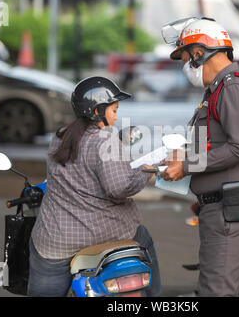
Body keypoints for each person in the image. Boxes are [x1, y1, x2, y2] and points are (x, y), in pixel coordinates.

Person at [160, 17, 239, 296]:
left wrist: (187, 165)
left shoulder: (232, 87)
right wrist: (176, 158)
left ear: (200, 53)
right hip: (220, 211)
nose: (186, 67)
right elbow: (215, 144)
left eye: (185, 58)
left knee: (215, 292)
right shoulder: (216, 90)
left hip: (230, 213)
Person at [28, 76, 161, 297]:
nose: (116, 116)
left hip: (57, 240)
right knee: (144, 240)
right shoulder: (105, 140)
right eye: (114, 110)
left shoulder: (60, 137)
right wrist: (145, 172)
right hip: (110, 232)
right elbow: (118, 188)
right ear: (98, 110)